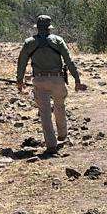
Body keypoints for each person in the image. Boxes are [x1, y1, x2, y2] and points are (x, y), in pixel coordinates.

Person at [16, 15, 86, 154]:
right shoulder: (58, 40)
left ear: (37, 28)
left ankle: (51, 144)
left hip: (40, 80)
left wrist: (20, 80)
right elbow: (69, 61)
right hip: (57, 80)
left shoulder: (29, 43)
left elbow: (22, 62)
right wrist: (77, 80)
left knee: (45, 113)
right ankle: (62, 134)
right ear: (49, 28)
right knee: (60, 106)